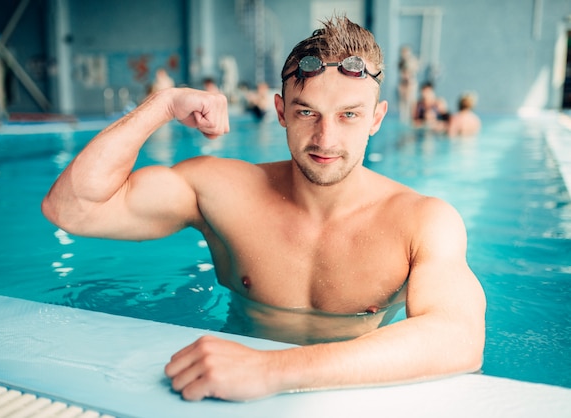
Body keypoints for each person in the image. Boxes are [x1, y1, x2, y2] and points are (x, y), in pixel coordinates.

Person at [42, 16, 485, 402]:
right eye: (307, 112)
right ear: (280, 111)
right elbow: (72, 209)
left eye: (349, 115)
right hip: (222, 391)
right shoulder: (222, 190)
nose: (326, 139)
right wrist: (161, 105)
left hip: (339, 395)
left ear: (376, 118)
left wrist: (270, 371)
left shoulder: (422, 220)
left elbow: (458, 338)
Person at [397, 45, 419, 125]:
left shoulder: (412, 61)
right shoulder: (400, 62)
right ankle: (403, 119)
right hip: (403, 83)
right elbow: (401, 72)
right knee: (402, 102)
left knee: (411, 101)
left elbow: (414, 70)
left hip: (411, 83)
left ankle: (411, 118)